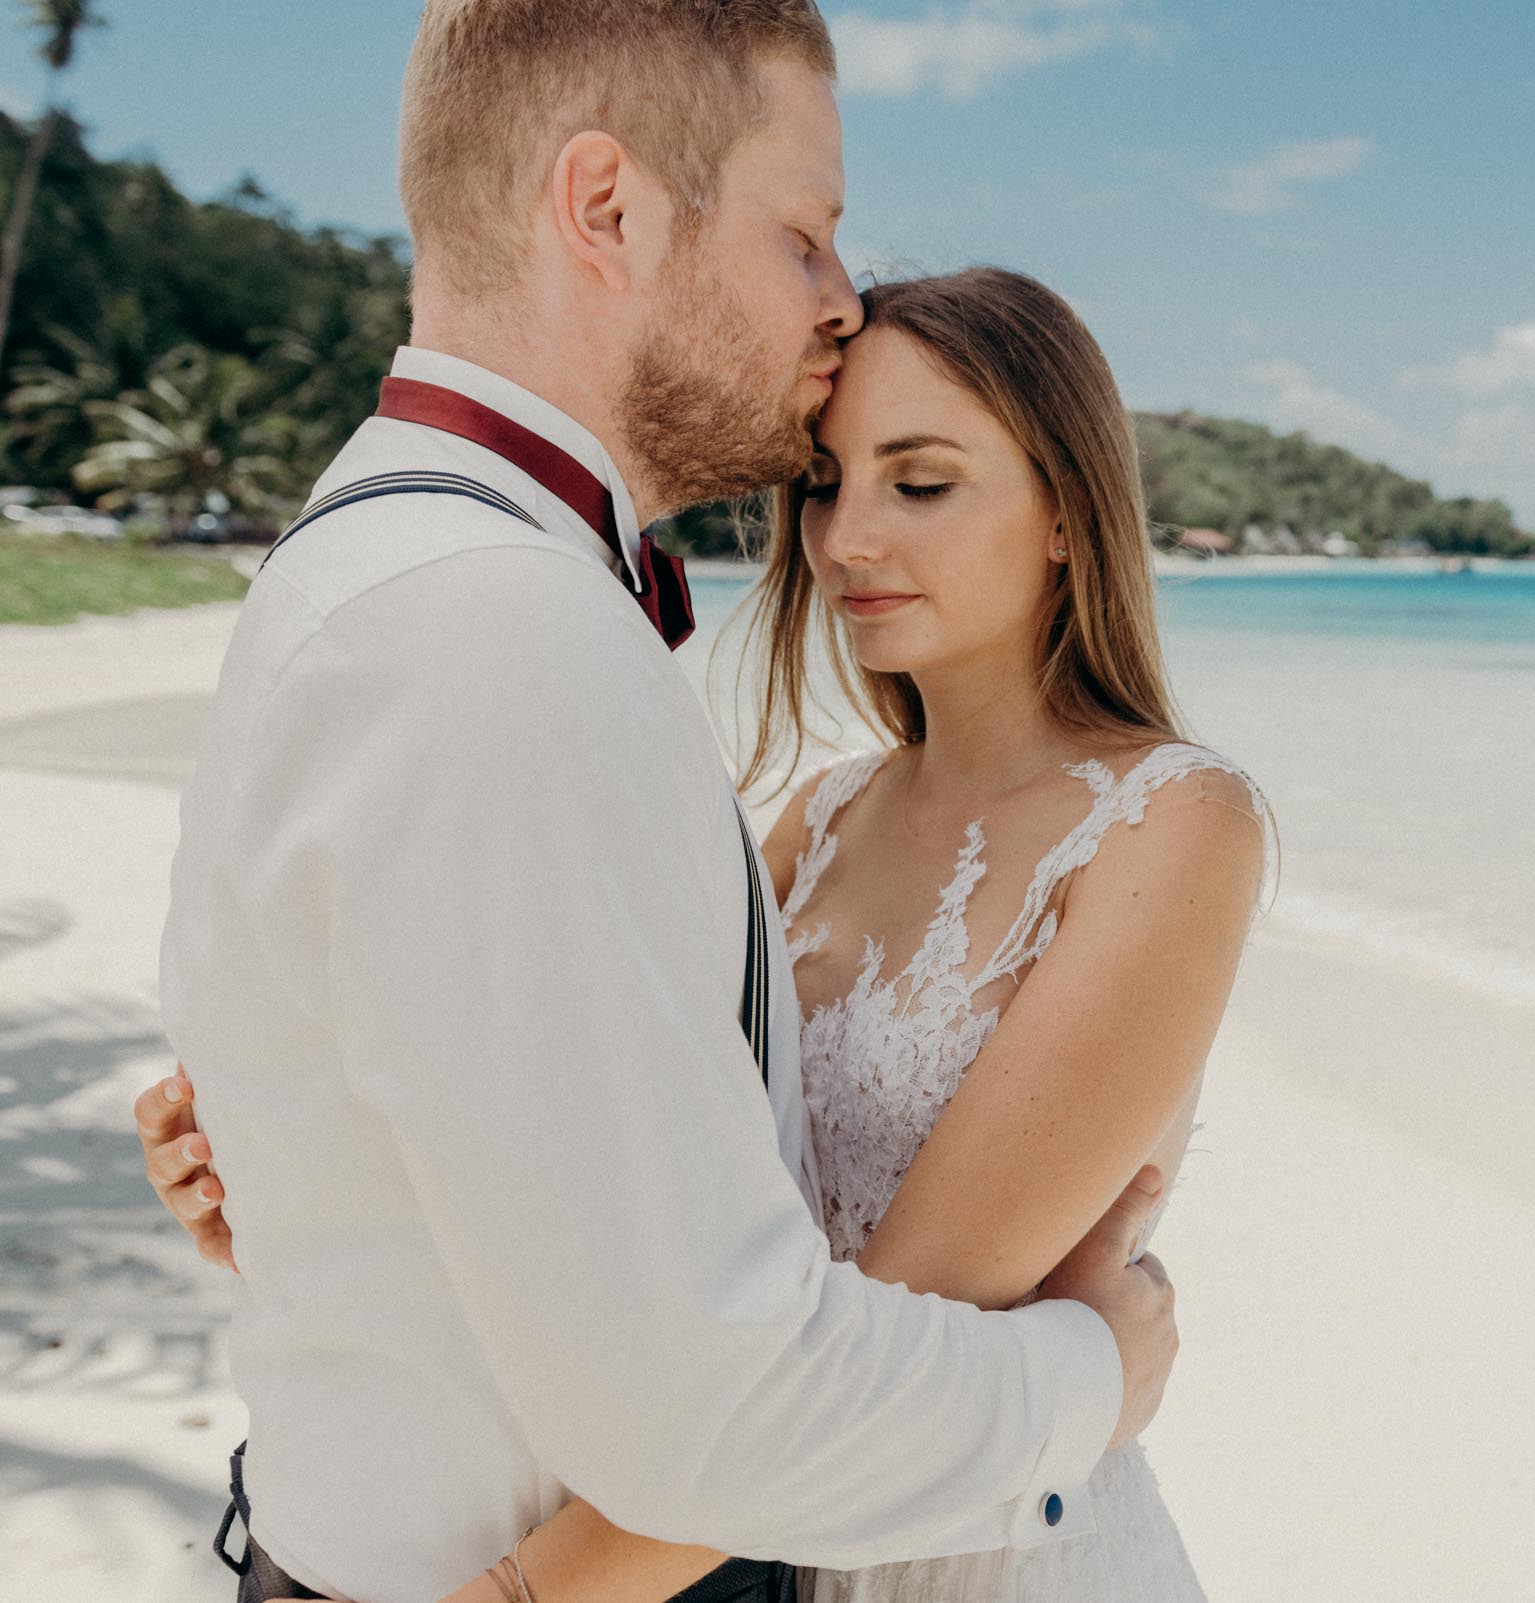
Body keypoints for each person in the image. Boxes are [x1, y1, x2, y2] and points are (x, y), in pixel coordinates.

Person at [143, 5, 1179, 1599]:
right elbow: (722, 1418)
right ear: (606, 207)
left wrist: (317, 1166)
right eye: (807, 235)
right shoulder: (498, 621)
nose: (839, 301)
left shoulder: (380, 558)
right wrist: (1090, 1378)